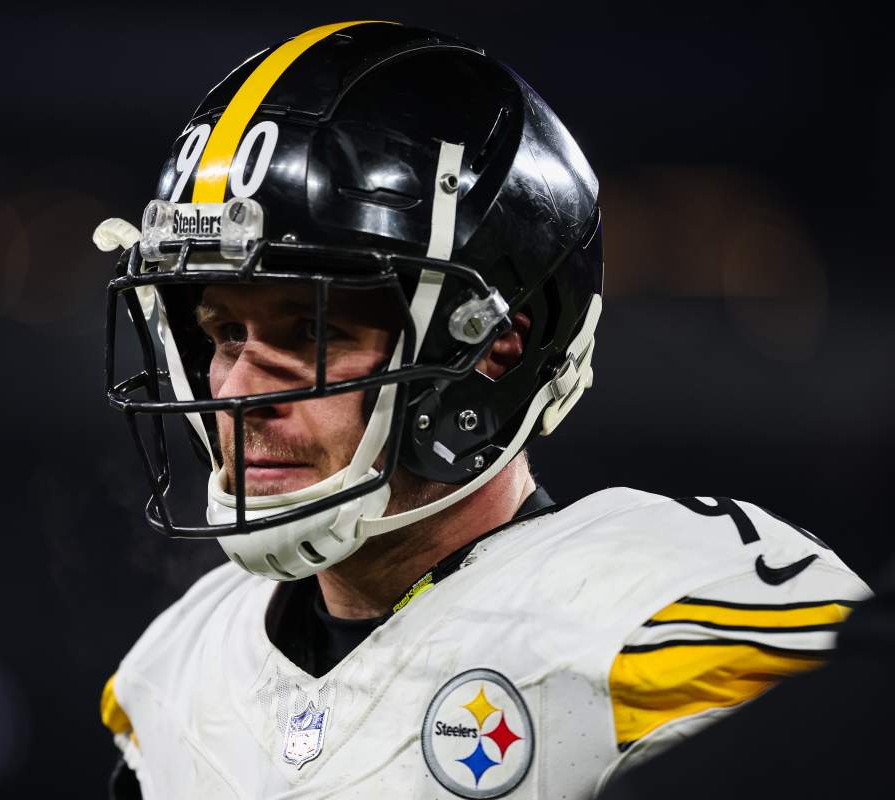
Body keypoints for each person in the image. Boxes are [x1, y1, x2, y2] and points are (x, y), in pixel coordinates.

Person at [92, 21, 869, 799]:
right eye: (226, 333)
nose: (237, 393)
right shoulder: (180, 671)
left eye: (312, 333)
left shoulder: (657, 617)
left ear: (490, 351)